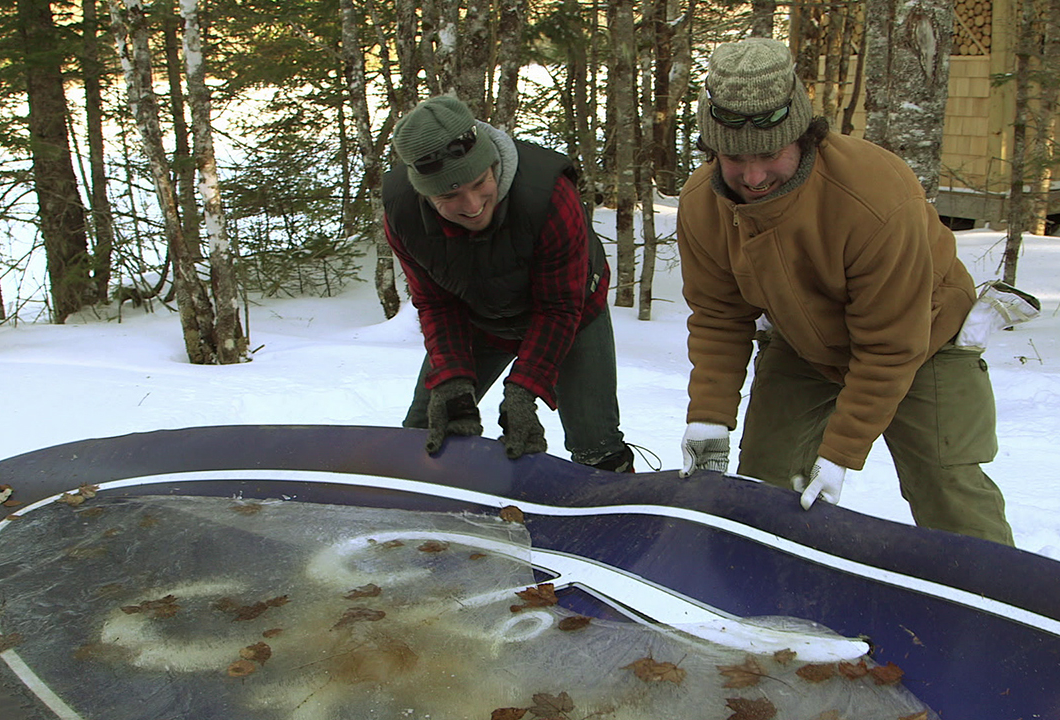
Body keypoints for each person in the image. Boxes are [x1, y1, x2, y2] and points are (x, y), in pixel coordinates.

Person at [675, 38, 1016, 545]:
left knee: (947, 491)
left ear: (804, 138)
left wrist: (840, 454)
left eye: (769, 154)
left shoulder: (876, 197)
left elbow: (889, 346)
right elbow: (720, 317)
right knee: (765, 482)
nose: (752, 175)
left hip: (925, 340)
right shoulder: (703, 204)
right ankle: (764, 593)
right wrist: (708, 416)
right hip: (805, 347)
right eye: (732, 157)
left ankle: (997, 608)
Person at [383, 95, 633, 472]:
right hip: (477, 316)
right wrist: (452, 377)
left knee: (595, 444)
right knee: (427, 432)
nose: (471, 205)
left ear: (492, 163)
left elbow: (558, 306)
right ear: (424, 192)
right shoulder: (403, 215)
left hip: (572, 312)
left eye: (479, 182)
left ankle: (618, 515)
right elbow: (435, 302)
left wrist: (525, 388)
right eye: (448, 196)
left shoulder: (548, 194)